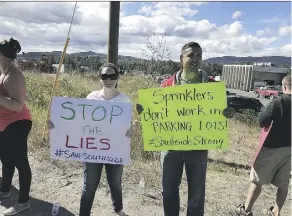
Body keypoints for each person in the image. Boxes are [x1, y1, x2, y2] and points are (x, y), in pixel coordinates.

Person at [136, 42, 235, 216]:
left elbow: (220, 113)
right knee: (168, 191)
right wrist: (145, 111)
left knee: (196, 193)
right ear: (181, 59)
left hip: (197, 148)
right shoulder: (166, 85)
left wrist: (227, 112)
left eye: (199, 55)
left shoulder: (212, 86)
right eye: (191, 55)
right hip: (170, 148)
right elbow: (156, 113)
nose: (195, 59)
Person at [49, 63, 131, 216]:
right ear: (99, 78)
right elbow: (80, 122)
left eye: (112, 76)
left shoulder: (124, 101)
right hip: (92, 148)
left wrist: (130, 132)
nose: (108, 79)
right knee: (89, 184)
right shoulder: (91, 97)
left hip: (115, 149)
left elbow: (128, 127)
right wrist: (58, 121)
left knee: (115, 183)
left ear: (117, 78)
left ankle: (118, 209)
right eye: (104, 76)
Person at [235, 75, 291, 216]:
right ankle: (276, 212)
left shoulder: (278, 102)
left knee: (257, 180)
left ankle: (246, 210)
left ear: (284, 87)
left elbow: (261, 121)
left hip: (271, 147)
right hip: (289, 149)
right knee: (283, 184)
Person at [0, 38, 32, 215]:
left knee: (20, 163)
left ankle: (23, 201)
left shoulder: (14, 75)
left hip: (17, 123)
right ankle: (4, 190)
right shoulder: (4, 71)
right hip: (4, 123)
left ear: (3, 55)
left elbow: (18, 105)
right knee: (5, 158)